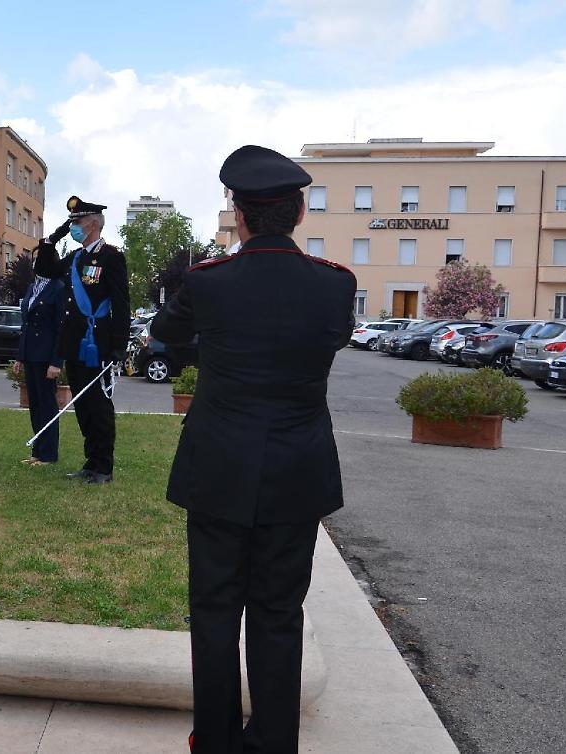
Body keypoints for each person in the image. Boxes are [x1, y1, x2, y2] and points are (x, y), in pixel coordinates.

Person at [150, 145, 357, 754]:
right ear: (297, 215)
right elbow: (335, 337)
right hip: (296, 470)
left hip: (218, 466)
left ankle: (213, 741)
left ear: (239, 215)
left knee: (214, 613)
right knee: (279, 613)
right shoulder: (334, 285)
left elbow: (165, 333)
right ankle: (272, 743)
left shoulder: (208, 283)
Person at [34, 196, 130, 484]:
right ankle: (90, 462)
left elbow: (122, 304)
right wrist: (51, 240)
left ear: (92, 223)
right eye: (71, 222)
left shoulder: (111, 257)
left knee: (99, 406)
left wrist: (118, 346)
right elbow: (45, 270)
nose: (73, 226)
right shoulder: (76, 258)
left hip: (97, 342)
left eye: (76, 222)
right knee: (83, 404)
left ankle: (104, 467)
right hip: (74, 342)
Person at [13, 274, 66, 465]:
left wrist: (56, 361)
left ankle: (49, 454)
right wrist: (20, 356)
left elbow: (61, 327)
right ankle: (38, 451)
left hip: (46, 356)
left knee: (47, 405)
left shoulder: (58, 287)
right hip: (31, 355)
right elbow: (25, 324)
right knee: (35, 405)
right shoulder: (32, 287)